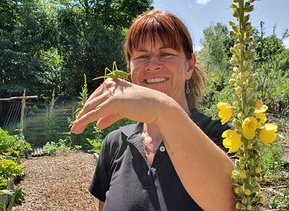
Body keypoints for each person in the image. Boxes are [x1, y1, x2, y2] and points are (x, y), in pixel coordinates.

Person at [71, 9, 235, 211]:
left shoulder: (223, 135)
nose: (152, 65)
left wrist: (162, 109)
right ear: (129, 68)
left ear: (190, 65)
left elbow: (230, 204)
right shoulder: (114, 143)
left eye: (166, 53)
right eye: (141, 56)